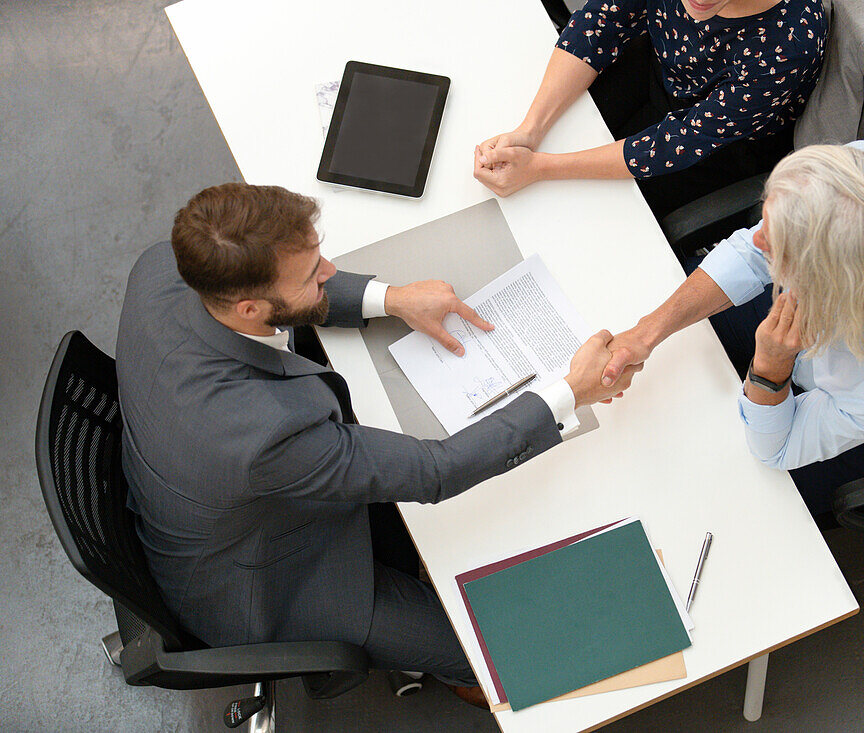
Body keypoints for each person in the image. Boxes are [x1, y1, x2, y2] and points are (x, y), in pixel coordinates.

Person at [115, 183, 640, 707]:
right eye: (311, 276)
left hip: (224, 503)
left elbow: (289, 290)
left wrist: (392, 298)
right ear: (251, 308)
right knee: (505, 652)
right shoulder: (261, 434)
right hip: (269, 583)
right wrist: (571, 391)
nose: (327, 273)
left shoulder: (163, 267)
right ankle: (466, 677)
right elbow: (435, 471)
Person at [598, 142, 864, 519]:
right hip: (840, 309)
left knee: (723, 490)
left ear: (822, 278)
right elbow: (754, 250)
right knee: (668, 317)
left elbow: (777, 448)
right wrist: (648, 332)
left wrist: (770, 365)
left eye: (776, 245)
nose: (756, 238)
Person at [473, 0, 827, 221]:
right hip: (657, 66)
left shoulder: (792, 39)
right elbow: (599, 23)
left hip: (720, 144)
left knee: (580, 212)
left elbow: (682, 141)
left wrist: (540, 168)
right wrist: (530, 129)